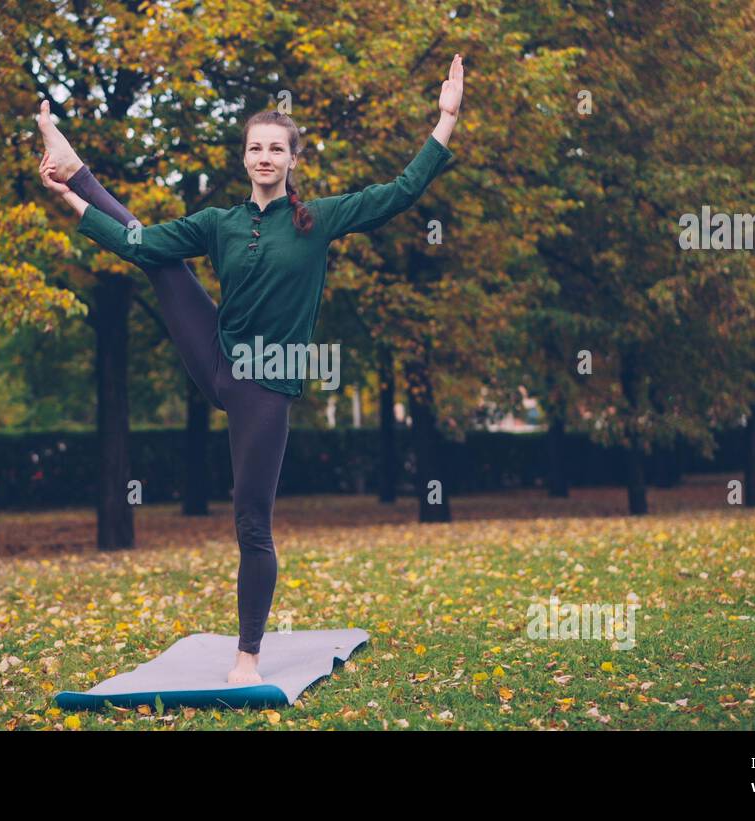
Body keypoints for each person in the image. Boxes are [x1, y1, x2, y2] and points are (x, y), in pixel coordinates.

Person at [36, 55, 464, 684]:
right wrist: (73, 197)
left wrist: (445, 120)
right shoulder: (221, 224)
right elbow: (143, 245)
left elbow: (400, 193)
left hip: (267, 383)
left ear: (293, 160)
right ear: (244, 158)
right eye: (255, 147)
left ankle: (248, 654)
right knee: (160, 258)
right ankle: (76, 167)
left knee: (250, 518)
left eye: (276, 149)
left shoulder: (316, 221)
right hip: (217, 357)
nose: (265, 156)